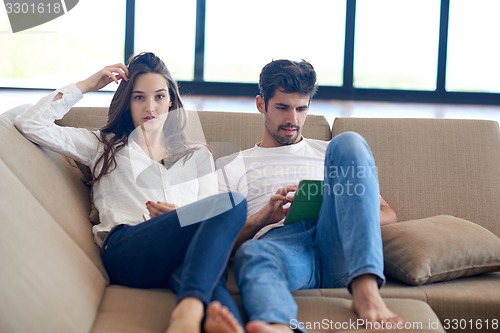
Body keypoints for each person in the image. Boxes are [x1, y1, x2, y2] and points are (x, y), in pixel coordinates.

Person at [15, 52, 247, 333]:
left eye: (160, 97)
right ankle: (189, 310)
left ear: (171, 100)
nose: (151, 107)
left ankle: (206, 312)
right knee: (228, 210)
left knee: (230, 206)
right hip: (129, 248)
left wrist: (182, 216)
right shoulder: (103, 145)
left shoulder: (197, 155)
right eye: (139, 97)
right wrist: (88, 84)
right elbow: (30, 124)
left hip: (184, 250)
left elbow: (214, 215)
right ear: (127, 102)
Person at [216, 59, 402, 333]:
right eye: (282, 108)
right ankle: (279, 325)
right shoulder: (233, 165)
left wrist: (340, 209)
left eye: (301, 109)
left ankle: (365, 287)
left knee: (349, 141)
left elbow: (388, 215)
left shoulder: (330, 152)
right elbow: (217, 244)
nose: (293, 119)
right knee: (253, 253)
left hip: (337, 241)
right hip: (283, 246)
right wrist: (260, 219)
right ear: (260, 104)